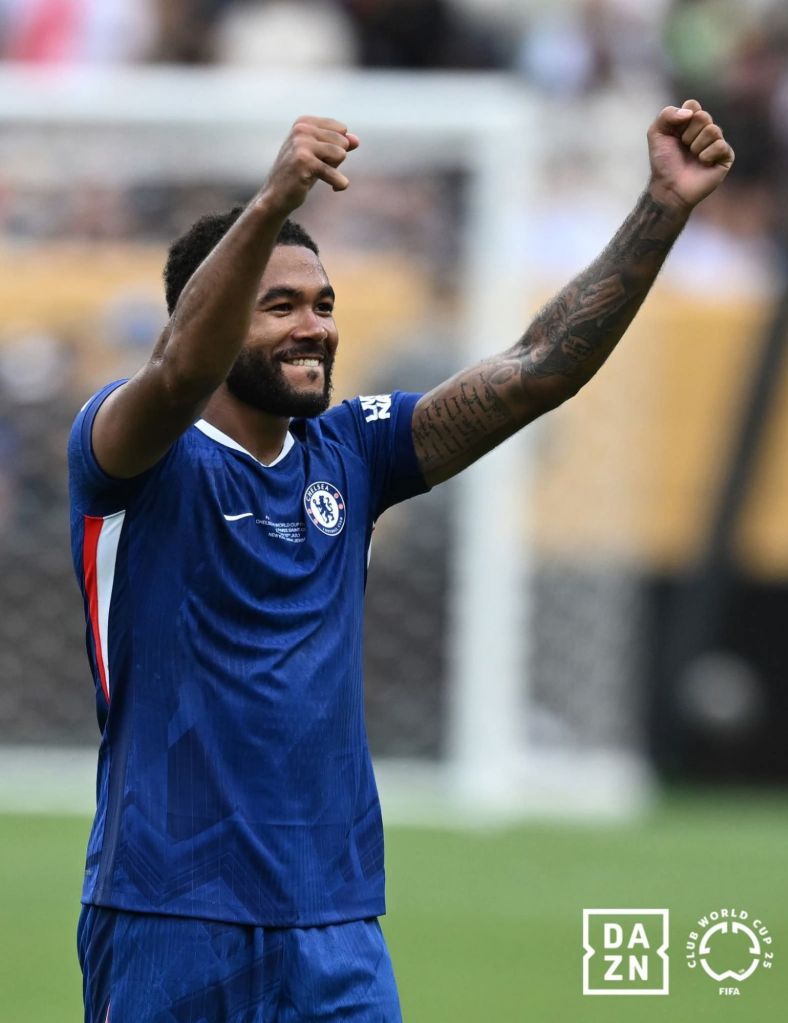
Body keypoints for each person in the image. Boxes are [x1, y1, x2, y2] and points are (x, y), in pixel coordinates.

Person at [68, 103, 733, 1021]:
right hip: (167, 910)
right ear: (208, 315)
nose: (314, 326)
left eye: (324, 304)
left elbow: (539, 365)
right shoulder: (130, 449)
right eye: (280, 306)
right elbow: (181, 370)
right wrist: (272, 202)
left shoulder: (350, 450)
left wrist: (662, 205)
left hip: (336, 925)